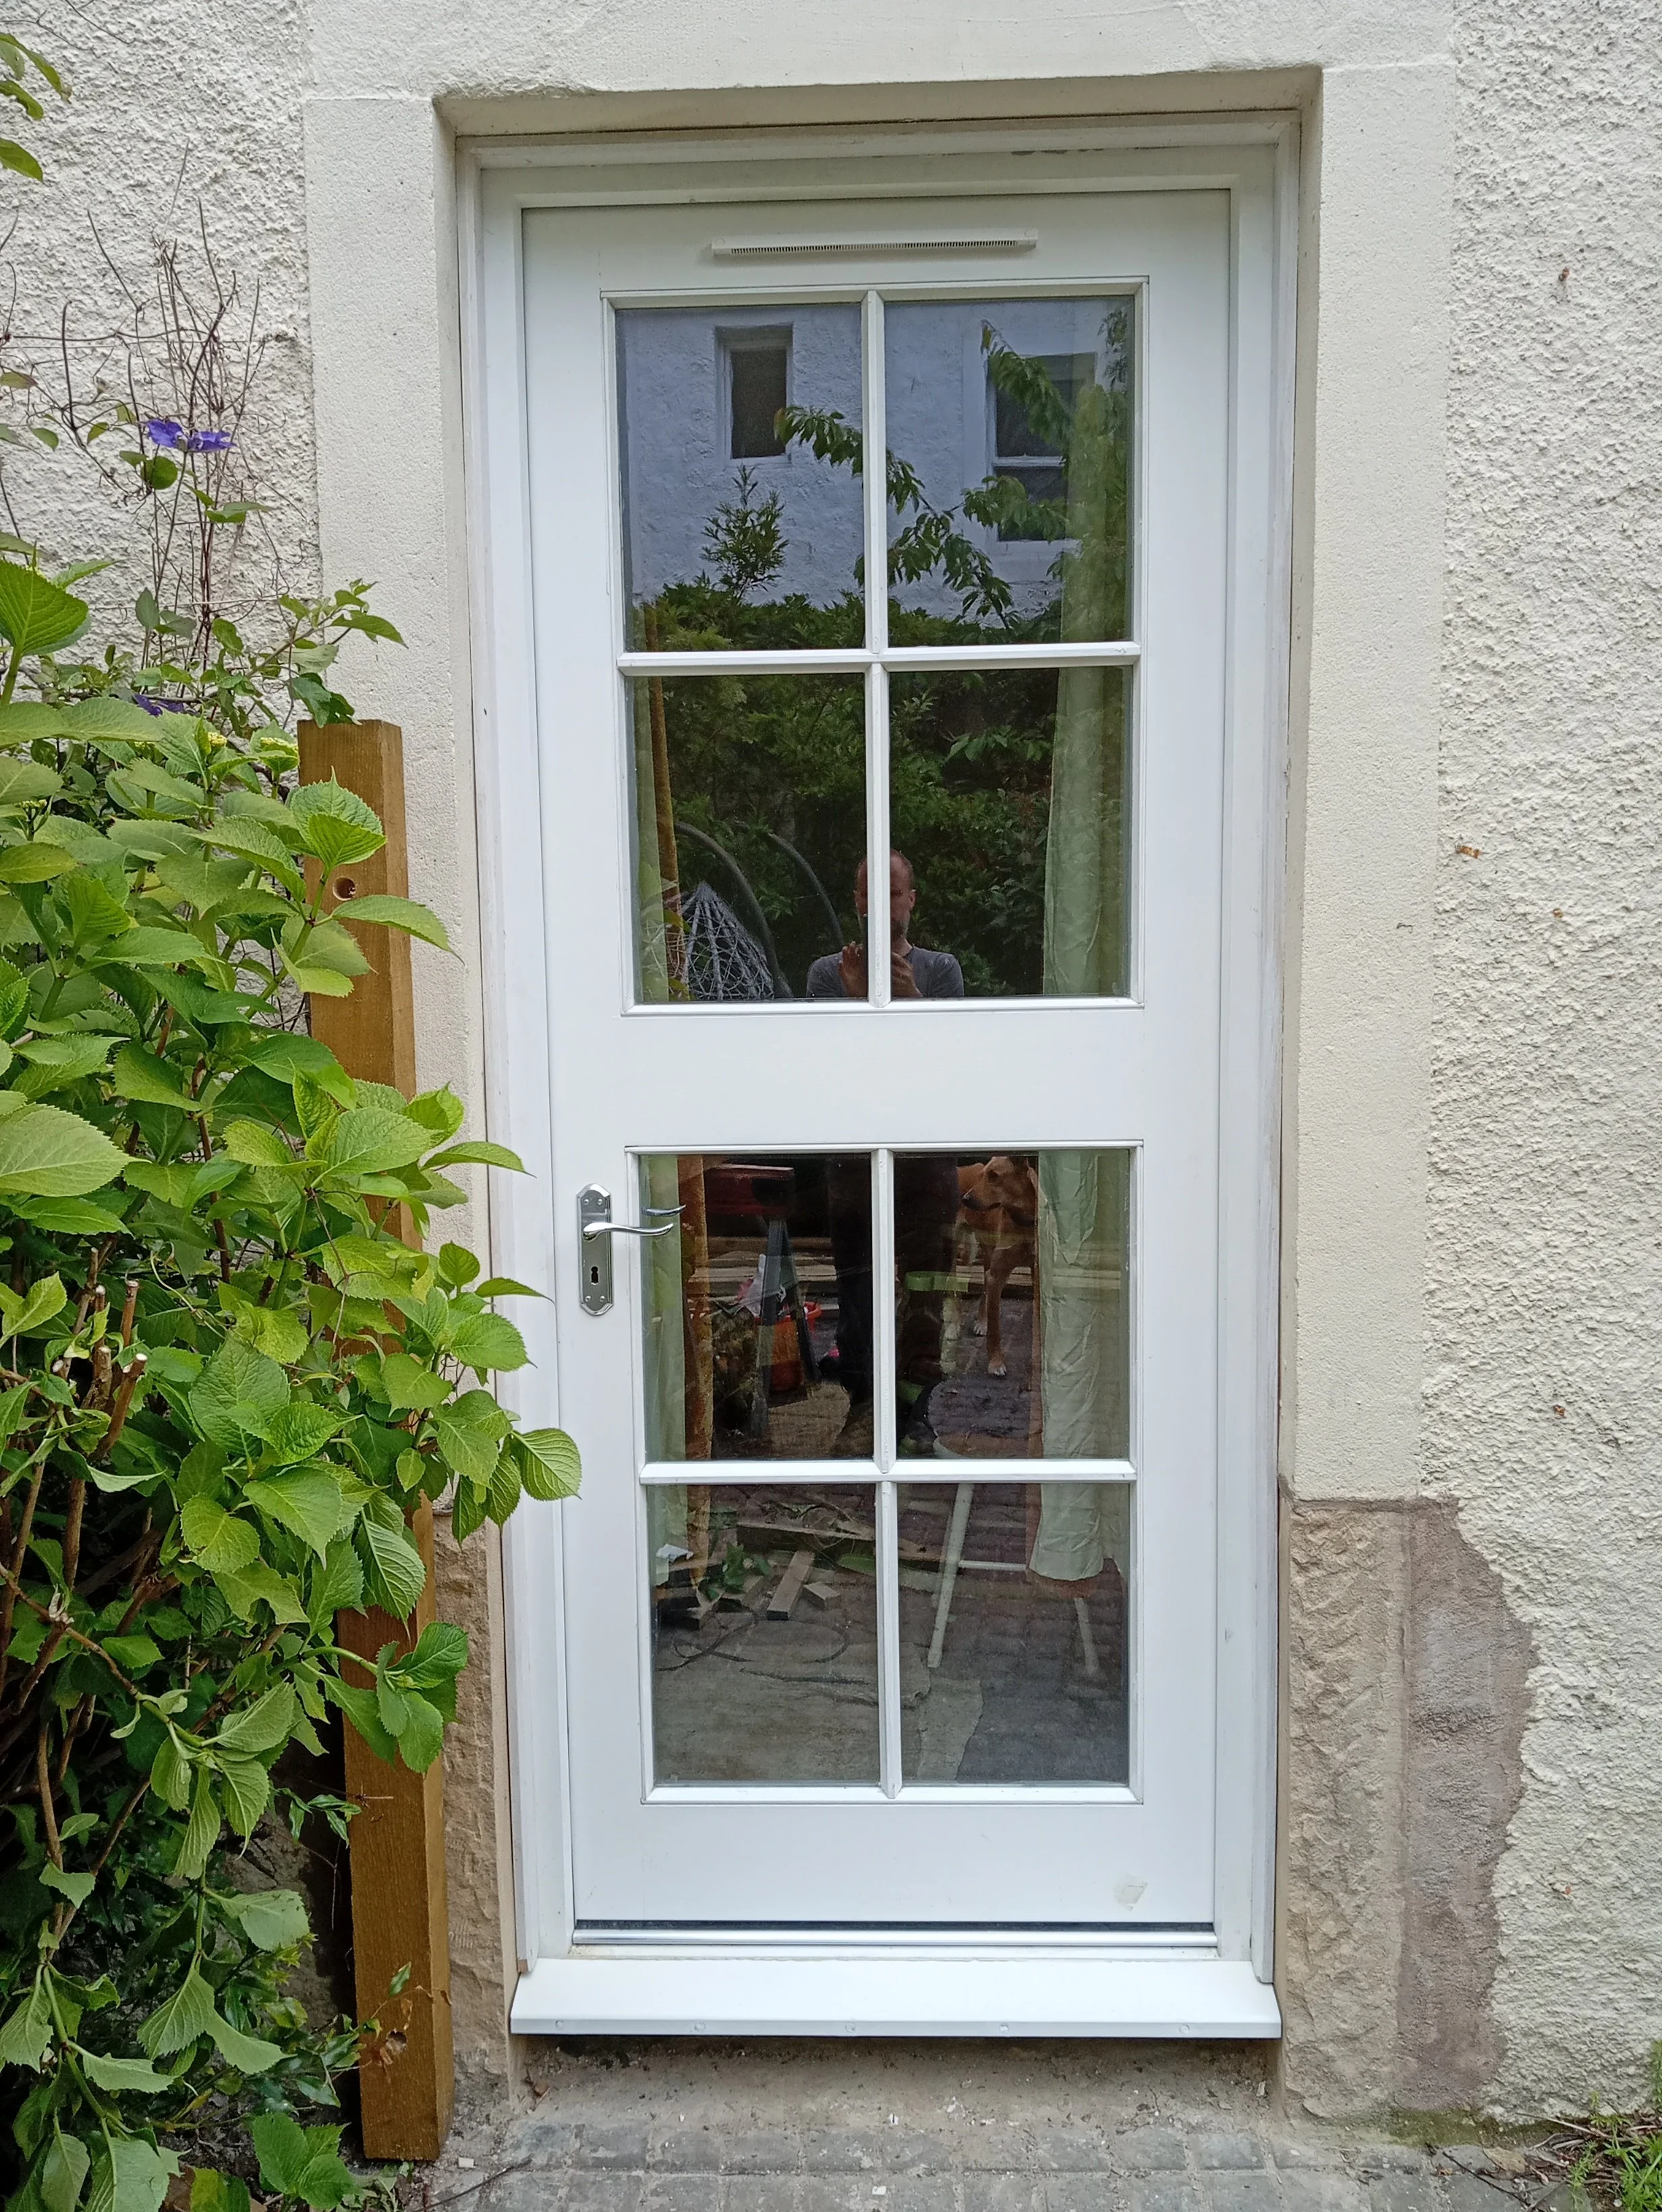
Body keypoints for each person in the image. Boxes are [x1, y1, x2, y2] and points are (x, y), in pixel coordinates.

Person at [809, 852, 963, 1457]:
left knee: (926, 1291)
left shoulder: (942, 972)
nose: (881, 904)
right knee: (858, 1291)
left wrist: (911, 999)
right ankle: (865, 1409)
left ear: (911, 900)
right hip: (853, 1165)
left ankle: (917, 1417)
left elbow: (948, 1071)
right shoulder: (828, 973)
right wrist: (855, 1002)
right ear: (857, 902)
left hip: (927, 1166)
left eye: (893, 892)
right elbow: (828, 1076)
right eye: (869, 892)